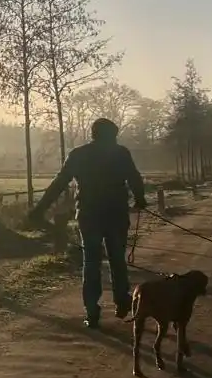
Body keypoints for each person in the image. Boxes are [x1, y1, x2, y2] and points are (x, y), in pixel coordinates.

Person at [27, 118, 148, 328]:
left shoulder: (79, 154)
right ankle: (121, 300)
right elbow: (134, 178)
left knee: (91, 262)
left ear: (93, 134)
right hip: (116, 213)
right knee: (117, 258)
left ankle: (92, 312)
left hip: (89, 214)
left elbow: (59, 182)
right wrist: (140, 199)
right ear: (113, 135)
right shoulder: (121, 153)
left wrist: (39, 209)